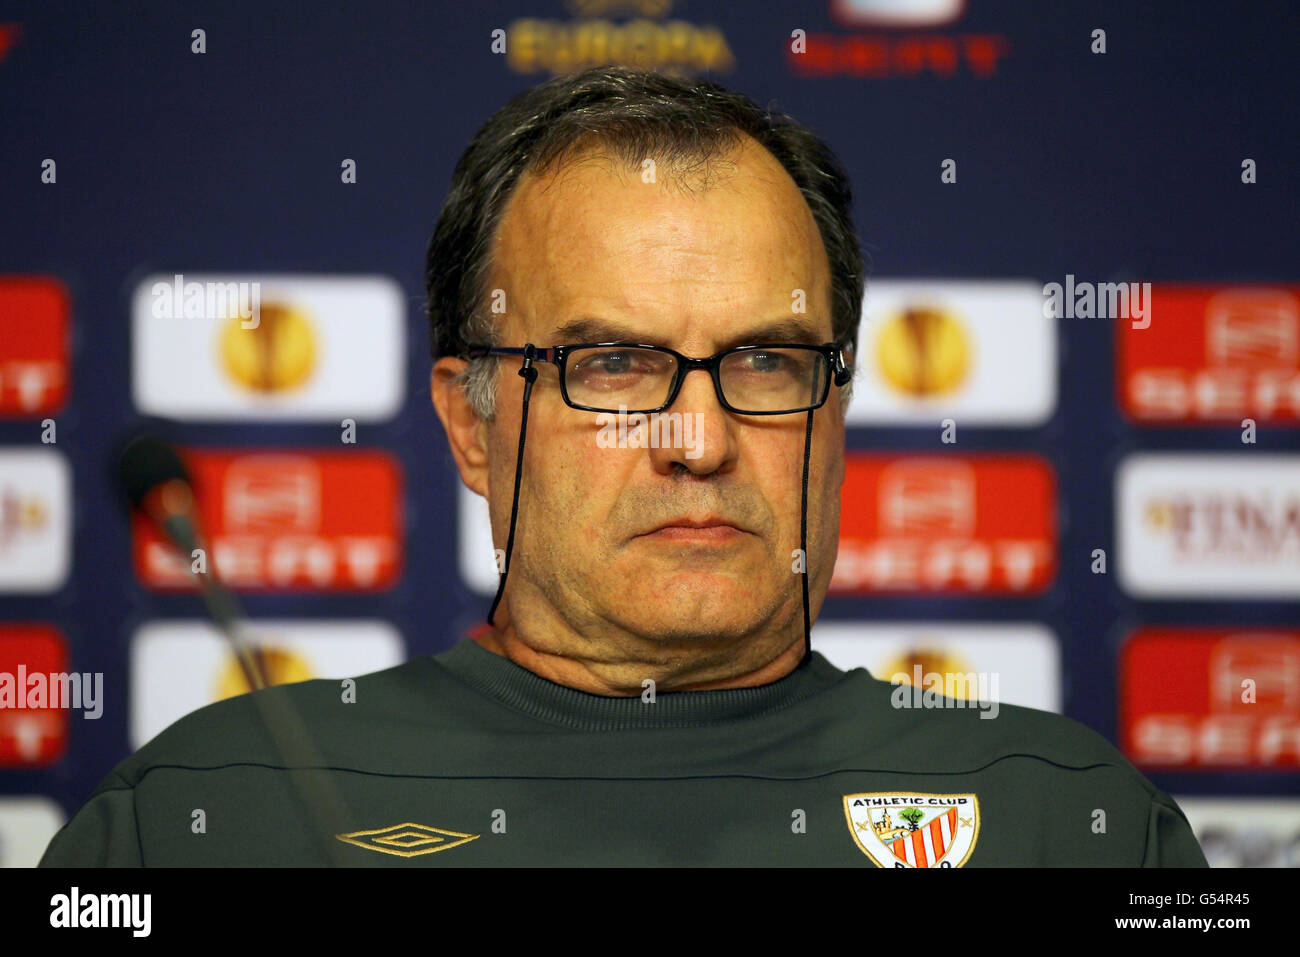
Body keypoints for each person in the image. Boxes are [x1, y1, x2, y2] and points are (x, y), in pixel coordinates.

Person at [41, 65, 1206, 867]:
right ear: (472, 423)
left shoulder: (1064, 820)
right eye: (611, 364)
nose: (697, 442)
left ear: (838, 405)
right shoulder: (211, 813)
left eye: (763, 360)